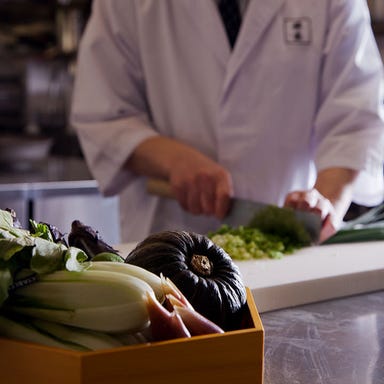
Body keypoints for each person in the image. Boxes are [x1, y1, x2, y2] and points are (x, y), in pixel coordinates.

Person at [70, 0, 384, 243]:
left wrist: (324, 201)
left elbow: (357, 117)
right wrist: (173, 160)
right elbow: (103, 113)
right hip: (165, 242)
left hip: (287, 247)